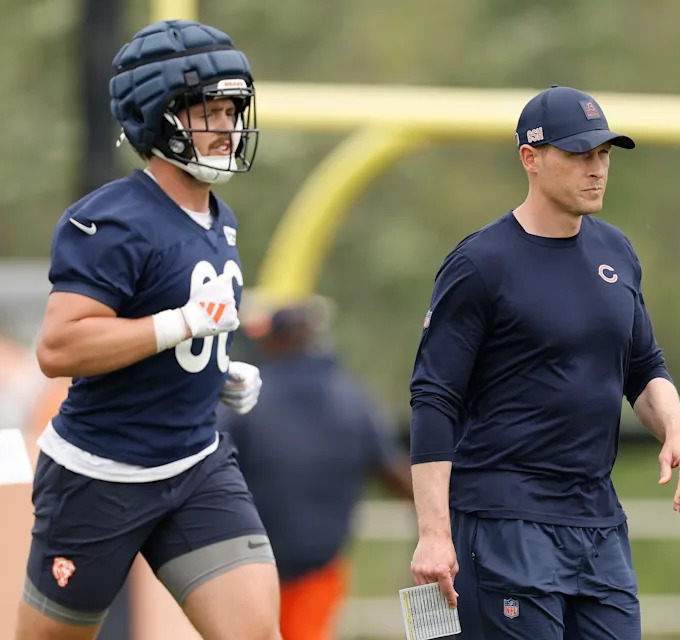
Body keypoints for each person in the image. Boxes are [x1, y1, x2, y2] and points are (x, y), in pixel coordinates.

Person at [15, 19, 280, 640]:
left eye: (231, 109)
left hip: (196, 466)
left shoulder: (220, 215)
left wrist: (210, 369)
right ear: (158, 118)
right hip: (100, 477)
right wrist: (181, 325)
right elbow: (60, 348)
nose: (227, 126)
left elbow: (169, 332)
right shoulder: (111, 219)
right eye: (208, 111)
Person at [408, 85, 680, 639]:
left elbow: (643, 367)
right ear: (531, 159)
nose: (597, 170)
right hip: (504, 521)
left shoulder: (616, 252)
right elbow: (433, 397)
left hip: (597, 523)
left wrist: (677, 431)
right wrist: (433, 533)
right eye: (579, 155)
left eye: (604, 155)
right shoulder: (480, 263)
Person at [220, 300, 414, 640]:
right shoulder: (352, 398)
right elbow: (394, 473)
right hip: (319, 567)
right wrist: (444, 516)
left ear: (273, 339)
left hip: (246, 565)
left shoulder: (247, 397)